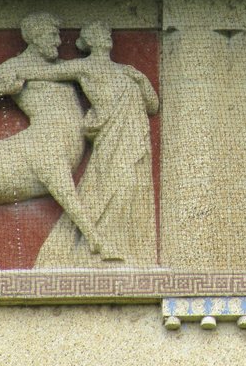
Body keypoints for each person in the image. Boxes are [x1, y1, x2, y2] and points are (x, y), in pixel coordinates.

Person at [18, 22, 159, 264]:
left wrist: (141, 79)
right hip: (110, 140)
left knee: (131, 190)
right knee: (112, 188)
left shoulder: (127, 71)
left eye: (108, 33)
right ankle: (92, 250)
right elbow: (42, 72)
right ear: (89, 41)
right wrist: (16, 68)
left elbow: (153, 105)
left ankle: (125, 249)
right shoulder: (84, 67)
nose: (107, 36)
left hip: (134, 138)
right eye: (100, 33)